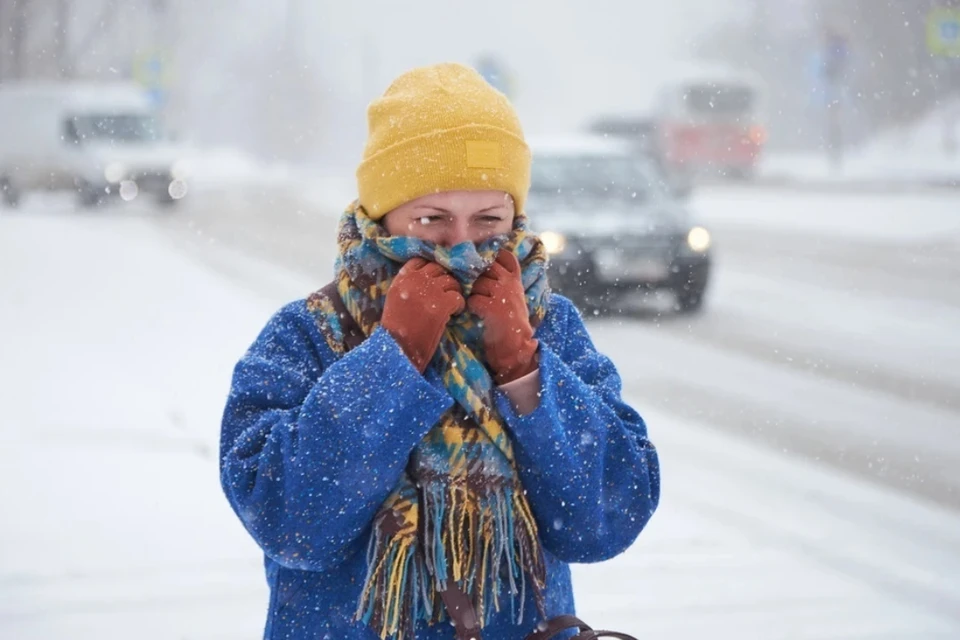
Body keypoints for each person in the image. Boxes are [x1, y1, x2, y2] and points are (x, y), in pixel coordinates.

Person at [220, 62, 660, 640]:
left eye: (488, 220)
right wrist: (394, 357)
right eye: (431, 220)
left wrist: (525, 368)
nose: (463, 246)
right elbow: (294, 522)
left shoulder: (550, 328)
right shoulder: (308, 334)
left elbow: (606, 518)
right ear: (383, 217)